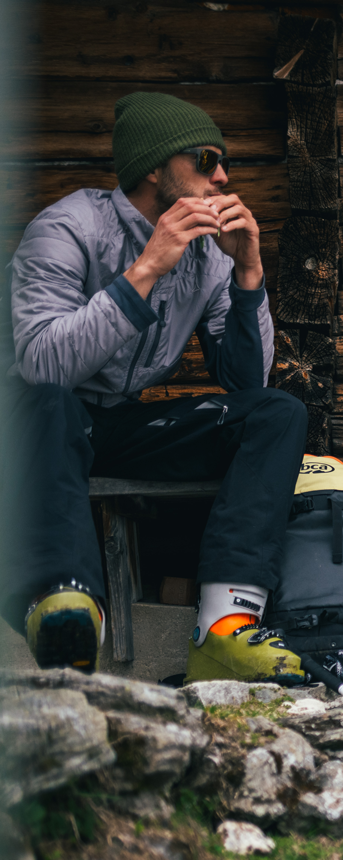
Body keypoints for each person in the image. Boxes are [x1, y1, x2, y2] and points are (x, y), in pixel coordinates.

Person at [1, 92, 306, 683]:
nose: (222, 176)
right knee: (50, 404)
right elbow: (42, 366)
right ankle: (62, 608)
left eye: (224, 162)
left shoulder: (210, 255)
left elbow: (246, 382)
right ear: (153, 167)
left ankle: (224, 626)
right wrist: (146, 269)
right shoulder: (67, 227)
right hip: (35, 421)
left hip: (117, 424)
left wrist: (248, 273)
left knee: (276, 413)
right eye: (205, 159)